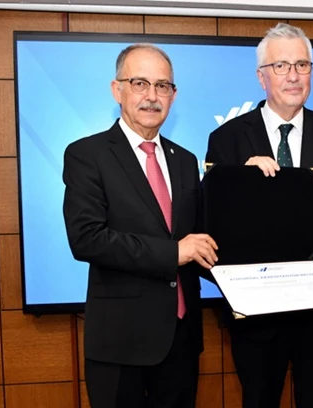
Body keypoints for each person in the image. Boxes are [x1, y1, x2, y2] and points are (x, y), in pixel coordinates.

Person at [206, 23, 313, 408]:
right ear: (261, 76)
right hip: (256, 315)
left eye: (302, 65)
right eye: (280, 66)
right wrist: (240, 182)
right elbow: (211, 225)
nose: (293, 75)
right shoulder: (226, 139)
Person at [62, 43, 218, 408]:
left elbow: (202, 238)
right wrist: (173, 252)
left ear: (174, 95)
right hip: (121, 344)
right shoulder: (87, 155)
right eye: (140, 83)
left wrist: (250, 182)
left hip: (181, 340)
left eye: (162, 86)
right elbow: (87, 239)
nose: (152, 96)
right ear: (117, 90)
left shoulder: (185, 160)